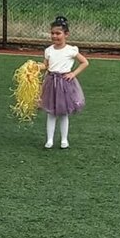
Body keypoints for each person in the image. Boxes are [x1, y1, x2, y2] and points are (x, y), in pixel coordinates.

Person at [40, 16, 88, 149]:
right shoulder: (48, 50)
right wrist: (36, 67)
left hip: (64, 84)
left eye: (58, 33)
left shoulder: (71, 50)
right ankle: (49, 140)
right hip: (51, 82)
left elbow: (84, 62)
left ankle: (64, 140)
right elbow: (46, 66)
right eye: (52, 33)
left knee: (63, 113)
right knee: (51, 112)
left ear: (66, 34)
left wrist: (73, 73)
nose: (55, 36)